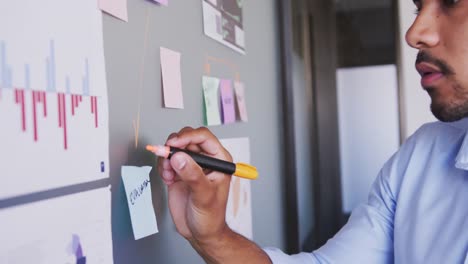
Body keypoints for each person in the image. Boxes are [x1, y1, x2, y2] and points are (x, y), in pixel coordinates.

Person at [157, 0, 468, 263]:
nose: (414, 34)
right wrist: (212, 235)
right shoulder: (421, 156)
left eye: (451, 0)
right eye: (417, 7)